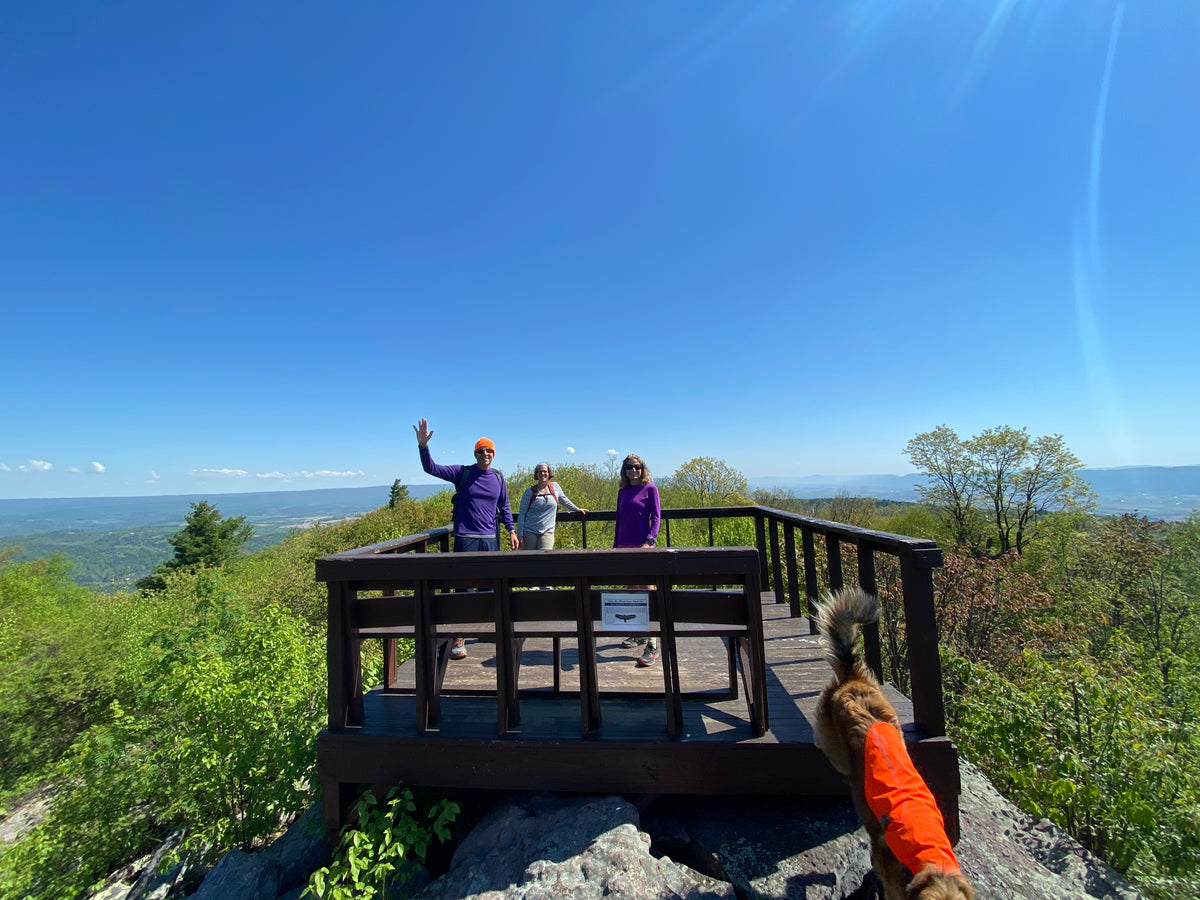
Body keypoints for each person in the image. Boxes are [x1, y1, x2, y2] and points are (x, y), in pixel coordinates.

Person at [413, 417, 517, 660]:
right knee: (463, 588)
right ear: (475, 454)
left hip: (490, 539)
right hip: (466, 538)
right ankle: (459, 638)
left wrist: (511, 530)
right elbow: (431, 468)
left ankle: (484, 630)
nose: (485, 454)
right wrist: (423, 446)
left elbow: (504, 506)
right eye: (481, 451)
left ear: (494, 454)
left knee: (489, 588)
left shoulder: (498, 478)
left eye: (489, 451)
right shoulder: (462, 473)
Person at [613, 453, 662, 667]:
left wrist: (650, 541)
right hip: (624, 546)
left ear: (642, 469)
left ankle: (653, 642)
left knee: (647, 591)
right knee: (631, 591)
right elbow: (619, 520)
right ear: (624, 471)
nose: (634, 470)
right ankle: (638, 633)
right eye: (629, 467)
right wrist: (615, 547)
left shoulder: (650, 489)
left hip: (643, 546)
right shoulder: (622, 492)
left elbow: (656, 517)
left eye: (637, 467)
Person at [516, 463, 589, 550]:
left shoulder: (555, 487)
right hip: (529, 531)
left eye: (545, 471)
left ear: (549, 473)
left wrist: (577, 509)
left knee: (545, 556)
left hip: (547, 531)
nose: (543, 473)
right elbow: (522, 514)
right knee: (529, 557)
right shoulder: (529, 492)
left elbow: (564, 500)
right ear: (536, 474)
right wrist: (520, 535)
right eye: (540, 472)